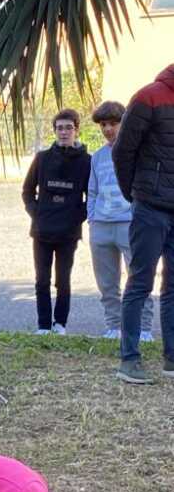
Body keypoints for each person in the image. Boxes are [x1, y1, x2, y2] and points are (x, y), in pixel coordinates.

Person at [112, 64, 174, 384]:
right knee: (140, 283)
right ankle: (129, 360)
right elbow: (123, 151)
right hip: (150, 208)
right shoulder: (149, 97)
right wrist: (134, 194)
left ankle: (171, 359)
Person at [88, 101, 154, 341]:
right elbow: (92, 191)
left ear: (124, 123)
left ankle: (144, 328)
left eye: (113, 123)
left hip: (130, 224)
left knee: (138, 278)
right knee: (107, 283)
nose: (108, 129)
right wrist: (92, 218)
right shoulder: (97, 157)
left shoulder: (137, 152)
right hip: (102, 226)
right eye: (103, 125)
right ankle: (113, 326)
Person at [22, 109, 91, 335]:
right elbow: (27, 191)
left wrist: (75, 217)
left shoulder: (86, 162)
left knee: (63, 280)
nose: (64, 132)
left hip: (68, 233)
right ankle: (43, 325)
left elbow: (91, 197)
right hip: (42, 231)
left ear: (76, 130)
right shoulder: (42, 159)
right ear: (55, 131)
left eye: (68, 127)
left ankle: (60, 323)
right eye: (60, 128)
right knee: (42, 280)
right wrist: (37, 213)